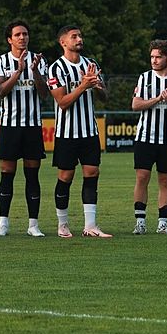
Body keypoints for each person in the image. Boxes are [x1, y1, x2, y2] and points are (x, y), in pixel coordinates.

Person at [47, 26, 111, 238]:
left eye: (80, 36)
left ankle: (90, 225)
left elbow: (104, 98)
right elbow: (62, 102)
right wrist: (83, 86)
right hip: (67, 133)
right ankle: (62, 224)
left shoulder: (90, 64)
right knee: (66, 176)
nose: (79, 39)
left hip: (89, 131)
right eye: (74, 36)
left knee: (92, 173)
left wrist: (97, 86)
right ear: (63, 42)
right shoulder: (56, 68)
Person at [0, 20, 49, 237]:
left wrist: (34, 72)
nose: (22, 37)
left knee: (32, 175)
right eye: (17, 34)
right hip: (9, 126)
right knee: (7, 174)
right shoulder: (1, 61)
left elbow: (44, 93)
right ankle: (3, 224)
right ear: (9, 39)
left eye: (25, 34)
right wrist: (18, 72)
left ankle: (33, 225)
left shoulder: (39, 62)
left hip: (32, 126)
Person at [130, 39, 167, 235]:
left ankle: (163, 223)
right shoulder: (144, 78)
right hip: (145, 137)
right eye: (152, 57)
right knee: (142, 177)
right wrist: (157, 99)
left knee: (165, 181)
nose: (154, 60)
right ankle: (140, 221)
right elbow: (135, 105)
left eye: (158, 57)